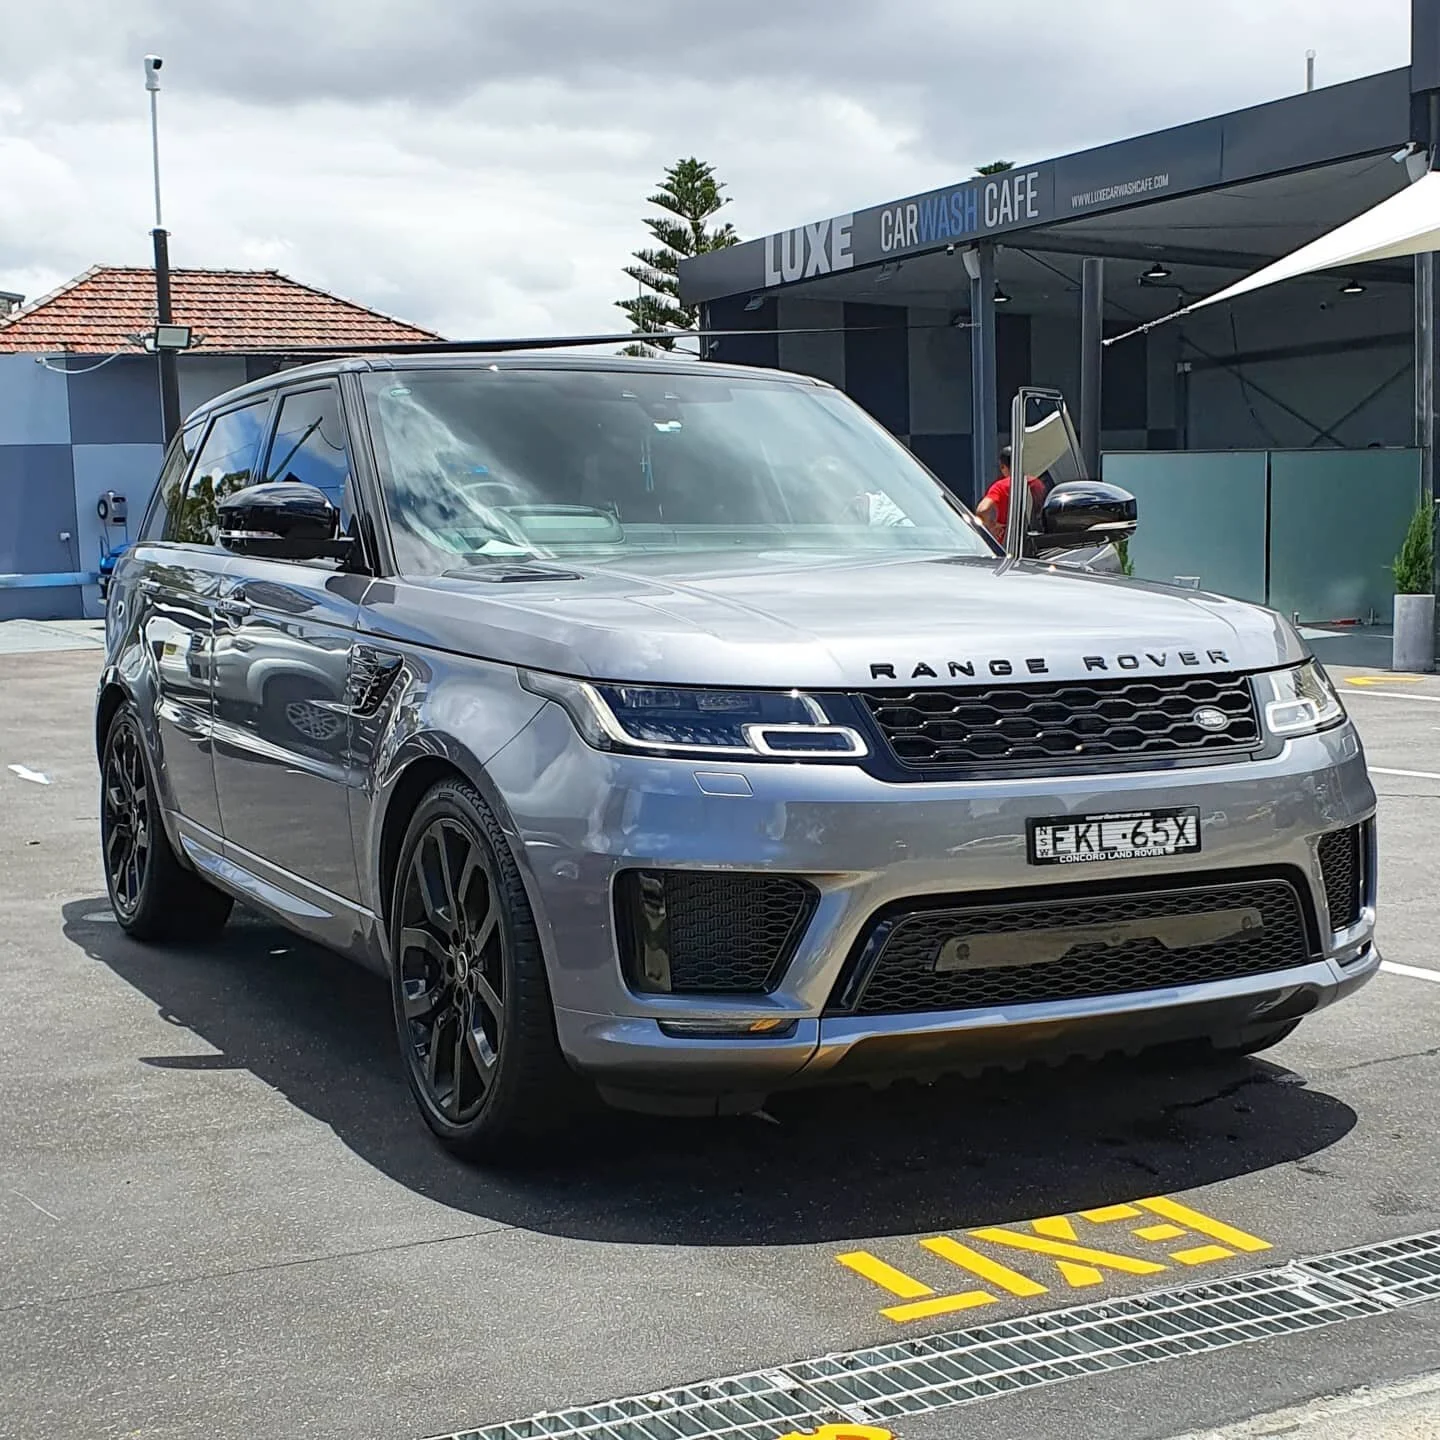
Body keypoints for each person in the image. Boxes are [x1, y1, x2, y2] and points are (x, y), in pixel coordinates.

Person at [976, 445, 1046, 545]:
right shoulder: (1037, 483)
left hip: (1009, 545)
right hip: (1036, 542)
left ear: (1003, 467)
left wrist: (992, 525)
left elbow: (982, 510)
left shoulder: (1000, 487)